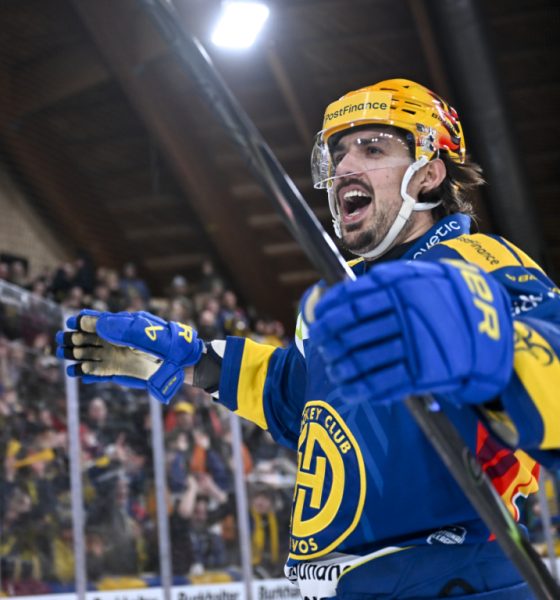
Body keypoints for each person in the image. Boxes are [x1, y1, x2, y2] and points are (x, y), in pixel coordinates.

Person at [56, 78, 560, 599]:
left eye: (372, 148)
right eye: (338, 154)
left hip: (459, 582)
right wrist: (198, 363)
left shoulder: (476, 265)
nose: (346, 167)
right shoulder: (338, 299)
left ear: (429, 174)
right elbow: (305, 402)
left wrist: (481, 344)